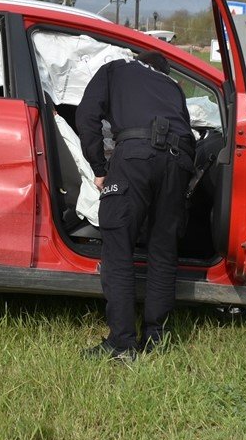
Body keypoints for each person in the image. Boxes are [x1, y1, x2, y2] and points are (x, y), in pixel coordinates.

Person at [76, 50, 195, 360]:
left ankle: (122, 344)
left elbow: (87, 114)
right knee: (163, 250)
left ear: (137, 59)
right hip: (179, 161)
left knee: (118, 249)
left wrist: (100, 168)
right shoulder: (173, 88)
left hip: (135, 155)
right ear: (163, 71)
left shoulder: (117, 68)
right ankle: (156, 338)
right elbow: (188, 134)